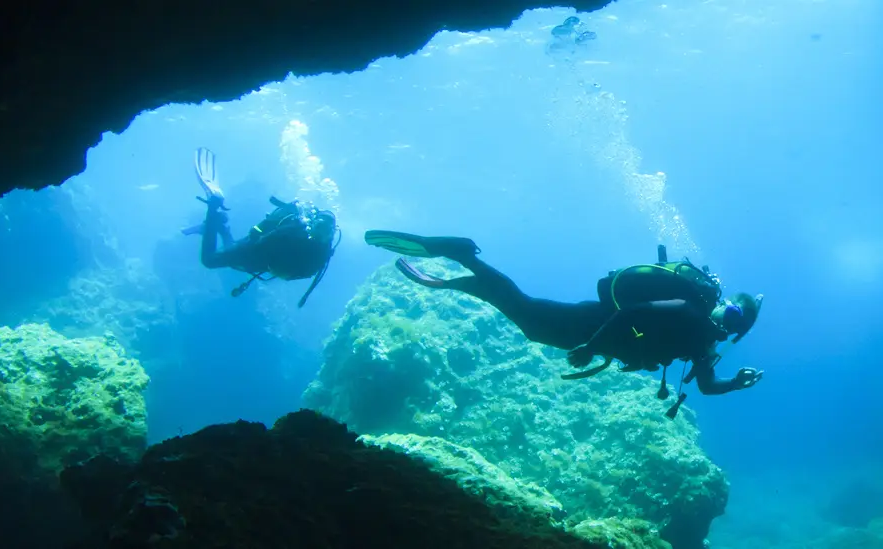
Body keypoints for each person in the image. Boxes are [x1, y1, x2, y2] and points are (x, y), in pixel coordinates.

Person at [365, 231, 764, 417]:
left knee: (529, 319)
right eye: (728, 314)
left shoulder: (703, 343)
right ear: (721, 304)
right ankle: (464, 257)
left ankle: (469, 275)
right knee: (529, 316)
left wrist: (736, 383)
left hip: (602, 338)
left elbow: (707, 386)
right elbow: (631, 314)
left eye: (735, 326)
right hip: (593, 323)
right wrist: (591, 346)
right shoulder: (686, 309)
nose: (725, 325)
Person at [186, 147, 340, 307]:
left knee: (231, 252)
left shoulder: (318, 246)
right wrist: (269, 261)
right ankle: (213, 207)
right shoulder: (307, 239)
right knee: (210, 261)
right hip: (259, 256)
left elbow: (306, 272)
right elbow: (266, 243)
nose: (321, 232)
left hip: (263, 258)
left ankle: (220, 226)